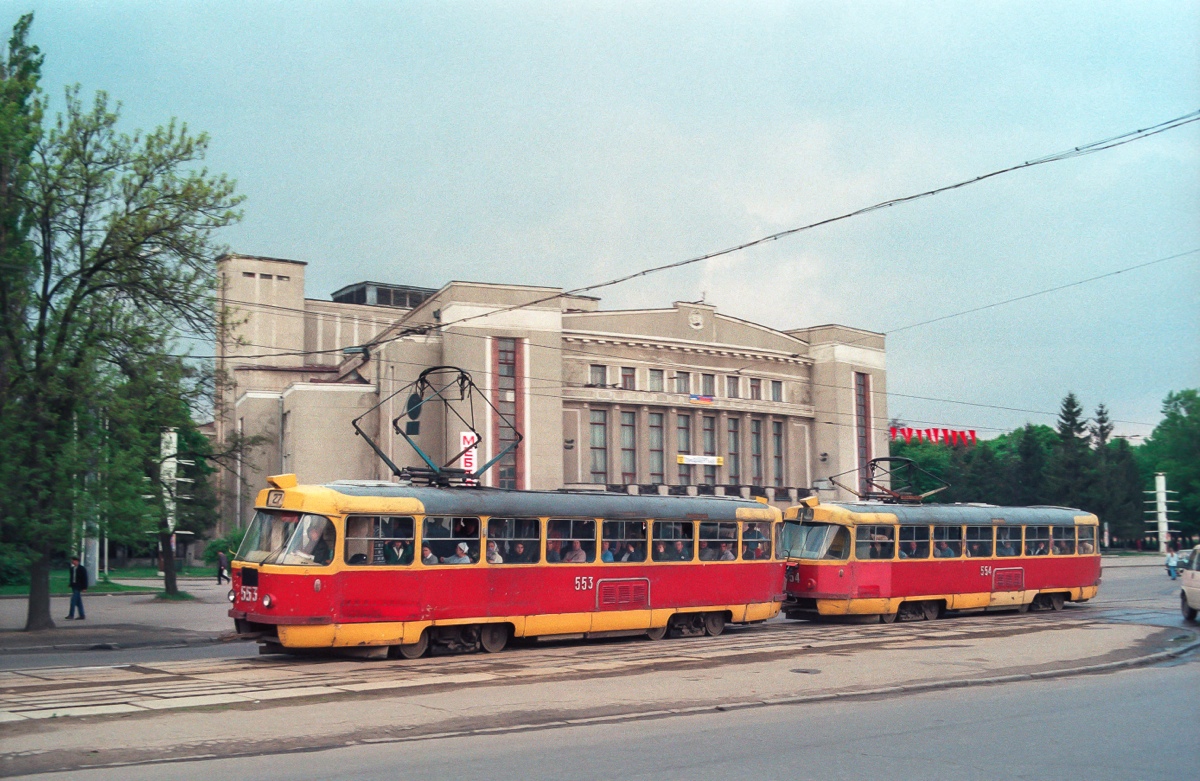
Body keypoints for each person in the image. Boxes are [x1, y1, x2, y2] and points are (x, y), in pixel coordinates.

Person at [66, 556, 88, 620]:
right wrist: (70, 584)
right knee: (78, 602)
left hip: (78, 586)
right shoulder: (72, 569)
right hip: (74, 586)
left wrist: (84, 587)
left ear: (77, 561)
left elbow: (85, 578)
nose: (72, 562)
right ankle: (82, 615)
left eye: (73, 560)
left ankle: (71, 615)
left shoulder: (82, 569)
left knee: (73, 601)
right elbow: (72, 577)